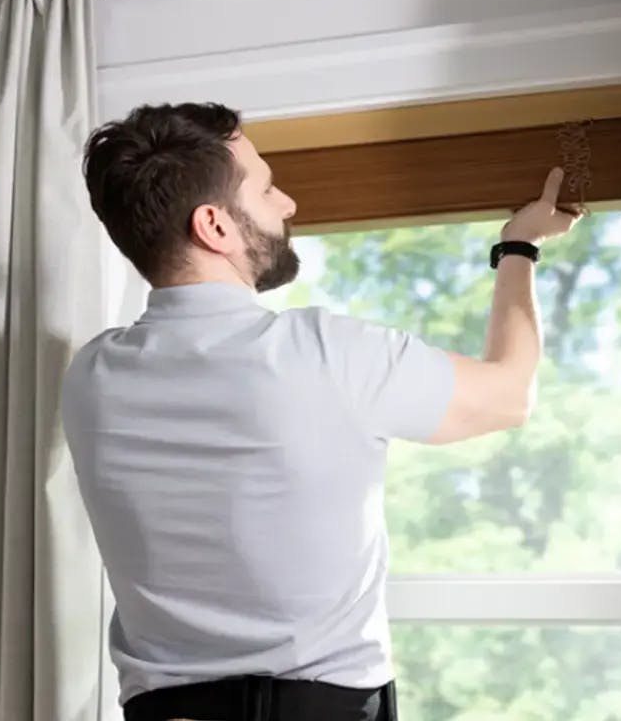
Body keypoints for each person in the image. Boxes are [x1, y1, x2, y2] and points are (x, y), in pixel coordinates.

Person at [60, 102, 581, 721]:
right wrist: (519, 245)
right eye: (266, 188)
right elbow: (509, 394)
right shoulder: (328, 353)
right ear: (214, 226)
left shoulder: (91, 377)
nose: (287, 204)